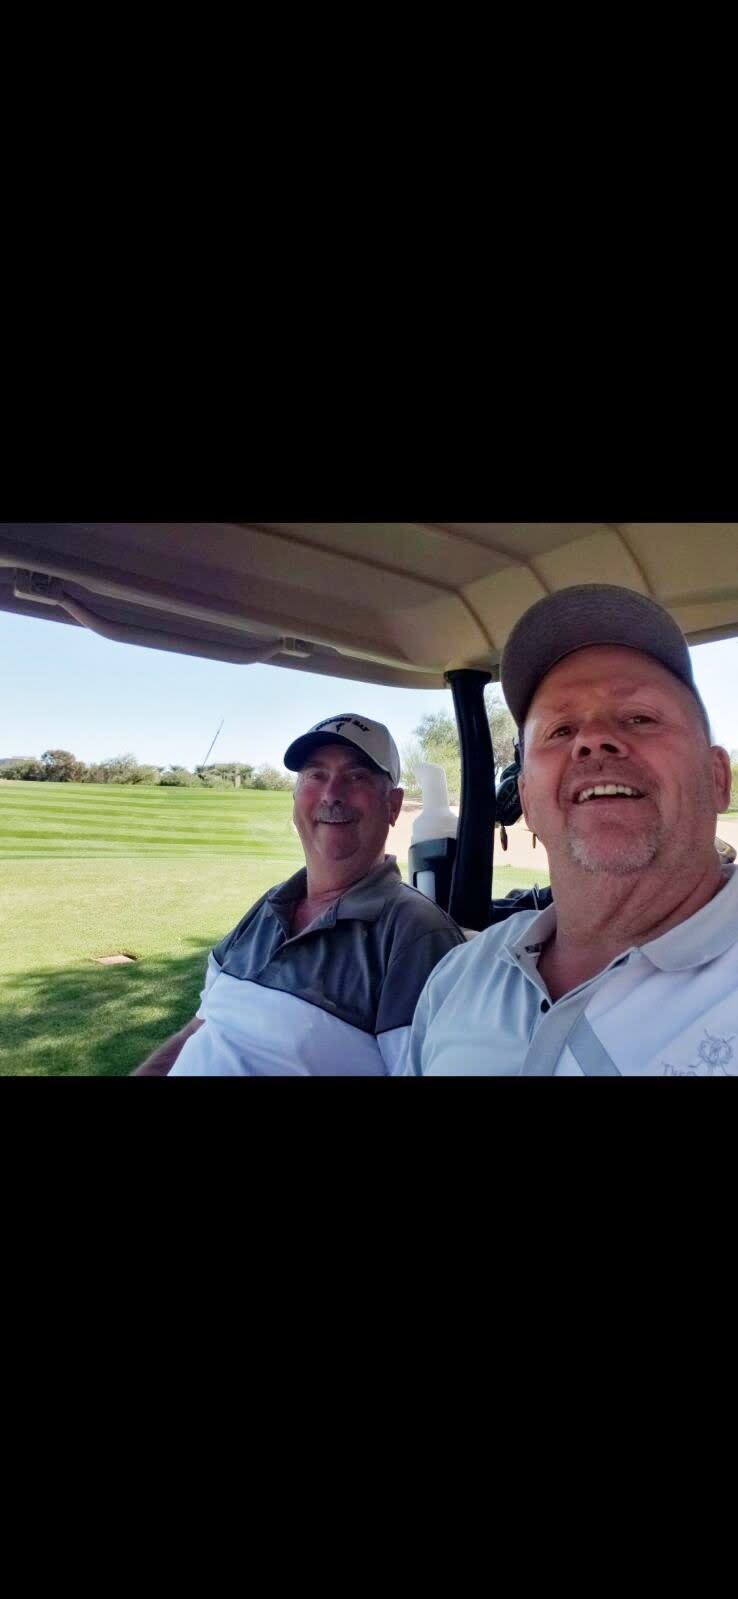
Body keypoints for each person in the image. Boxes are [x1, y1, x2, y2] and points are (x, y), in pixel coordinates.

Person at [407, 584, 738, 1076]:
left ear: (716, 780)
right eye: (560, 731)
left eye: (639, 717)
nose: (594, 739)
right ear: (526, 801)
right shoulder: (459, 978)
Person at [134, 713, 465, 1075]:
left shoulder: (415, 935)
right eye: (315, 775)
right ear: (295, 800)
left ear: (393, 805)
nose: (331, 794)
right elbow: (201, 1026)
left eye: (356, 777)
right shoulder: (270, 907)